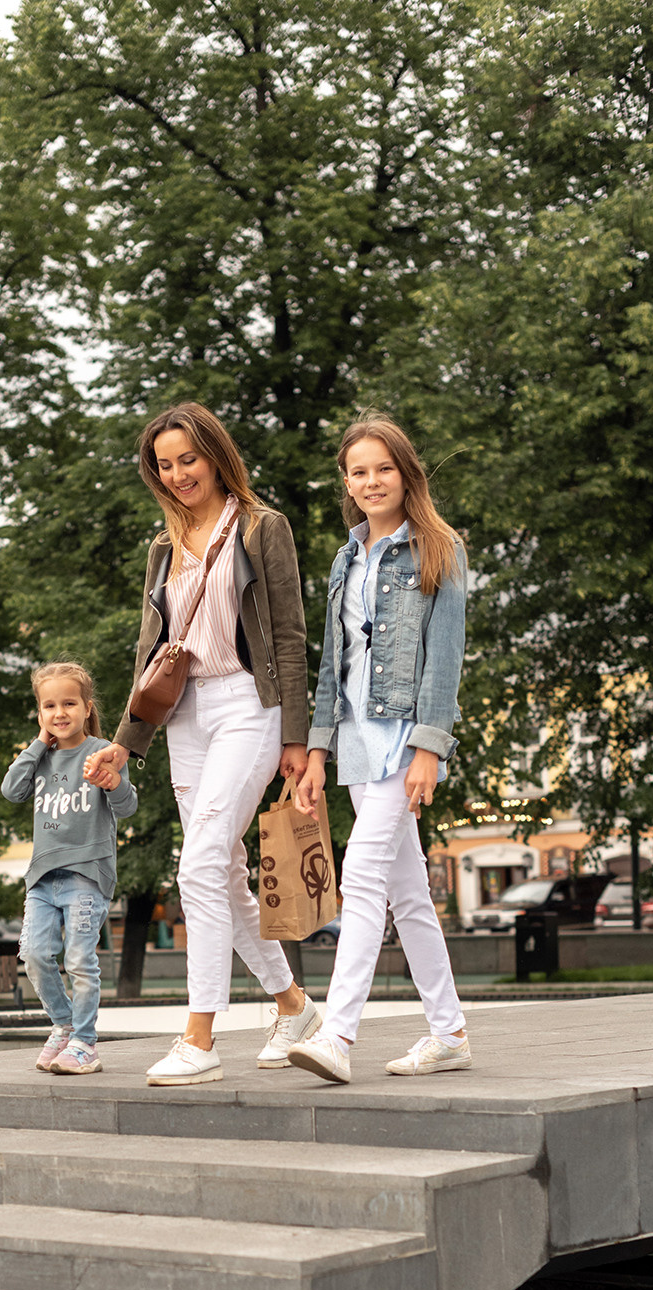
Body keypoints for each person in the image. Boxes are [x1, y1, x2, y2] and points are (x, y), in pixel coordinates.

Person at [84, 402, 317, 1084]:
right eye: (164, 464)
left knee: (198, 862)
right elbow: (149, 650)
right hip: (185, 716)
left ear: (215, 455)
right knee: (222, 872)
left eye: (188, 458)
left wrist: (296, 738)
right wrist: (126, 742)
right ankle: (292, 1005)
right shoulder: (162, 545)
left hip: (248, 703)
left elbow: (290, 638)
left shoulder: (260, 527)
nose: (179, 473)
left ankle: (199, 1036)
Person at [286, 415, 471, 1084]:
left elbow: (443, 659)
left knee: (361, 877)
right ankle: (448, 1032)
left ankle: (336, 1034)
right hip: (358, 743)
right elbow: (334, 661)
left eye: (382, 468)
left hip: (404, 739)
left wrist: (429, 747)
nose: (370, 481)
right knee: (408, 893)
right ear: (346, 482)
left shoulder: (438, 549)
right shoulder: (347, 556)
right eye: (358, 471)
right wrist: (315, 750)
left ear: (405, 473)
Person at [2, 661, 137, 1075]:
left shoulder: (103, 751)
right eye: (48, 706)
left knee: (79, 959)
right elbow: (12, 791)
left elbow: (127, 807)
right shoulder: (40, 757)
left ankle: (85, 1042)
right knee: (35, 955)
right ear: (39, 714)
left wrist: (115, 784)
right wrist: (38, 744)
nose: (59, 713)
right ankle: (63, 1026)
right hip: (43, 877)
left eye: (69, 703)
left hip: (86, 874)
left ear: (86, 706)